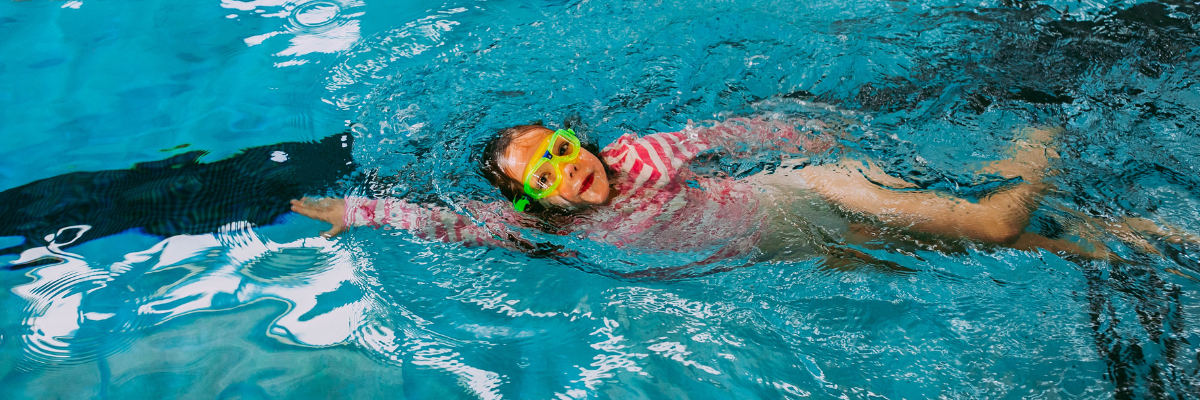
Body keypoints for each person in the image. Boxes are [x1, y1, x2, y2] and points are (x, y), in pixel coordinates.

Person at [291, 117, 1196, 266]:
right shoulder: (537, 231)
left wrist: (805, 137)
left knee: (995, 226)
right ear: (535, 203)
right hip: (792, 248)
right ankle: (1165, 236)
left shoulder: (640, 158)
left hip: (807, 193)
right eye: (546, 175)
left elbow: (722, 137)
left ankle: (1042, 125)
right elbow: (446, 224)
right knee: (1035, 248)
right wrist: (354, 211)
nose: (570, 167)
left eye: (565, 147)